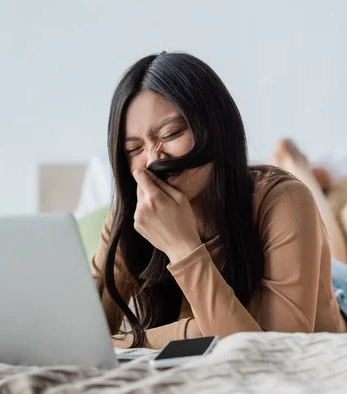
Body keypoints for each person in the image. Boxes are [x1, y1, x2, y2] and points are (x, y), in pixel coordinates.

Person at [91, 52, 347, 349]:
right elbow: (83, 336)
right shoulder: (134, 212)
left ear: (215, 127)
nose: (153, 159)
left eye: (171, 133)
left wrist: (181, 246)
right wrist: (191, 332)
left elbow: (273, 353)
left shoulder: (285, 201)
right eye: (134, 148)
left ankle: (298, 165)